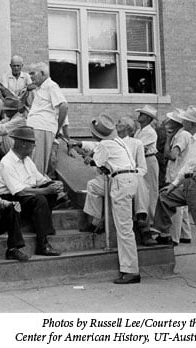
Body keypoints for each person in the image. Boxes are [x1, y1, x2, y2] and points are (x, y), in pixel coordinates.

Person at [70, 114, 140, 284]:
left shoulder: (105, 144)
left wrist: (86, 157)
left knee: (124, 229)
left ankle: (131, 271)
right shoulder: (117, 141)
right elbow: (98, 149)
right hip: (128, 180)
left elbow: (96, 162)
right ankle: (96, 222)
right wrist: (83, 147)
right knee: (124, 227)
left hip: (121, 182)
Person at [0, 126, 64, 257]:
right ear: (23, 144)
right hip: (10, 198)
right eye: (32, 144)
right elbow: (19, 192)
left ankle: (41, 224)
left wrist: (53, 185)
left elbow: (40, 180)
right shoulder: (7, 162)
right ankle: (42, 243)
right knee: (40, 198)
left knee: (51, 190)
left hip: (26, 196)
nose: (34, 147)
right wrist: (45, 190)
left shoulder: (27, 160)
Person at [153, 105, 196, 245]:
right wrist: (175, 184)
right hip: (189, 181)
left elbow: (185, 161)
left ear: (191, 123)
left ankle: (168, 234)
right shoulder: (194, 137)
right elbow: (189, 164)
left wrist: (175, 183)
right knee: (165, 197)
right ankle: (162, 231)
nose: (183, 123)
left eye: (185, 121)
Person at [116, 117, 156, 246]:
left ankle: (141, 219)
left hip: (132, 176)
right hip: (116, 177)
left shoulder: (136, 143)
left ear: (127, 128)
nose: (116, 125)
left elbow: (142, 168)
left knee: (139, 180)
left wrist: (132, 175)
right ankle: (144, 226)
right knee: (136, 181)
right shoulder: (111, 142)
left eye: (120, 123)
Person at [27, 62, 68, 175]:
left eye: (33, 73)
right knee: (32, 161)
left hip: (42, 127)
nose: (30, 77)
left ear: (43, 73)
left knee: (37, 163)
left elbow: (63, 106)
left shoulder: (51, 86)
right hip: (37, 127)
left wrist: (57, 128)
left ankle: (36, 189)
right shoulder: (41, 88)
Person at [163, 110, 193, 245]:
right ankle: (185, 235)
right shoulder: (185, 135)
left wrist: (168, 139)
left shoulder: (181, 136)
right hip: (183, 174)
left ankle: (174, 237)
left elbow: (173, 155)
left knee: (176, 207)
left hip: (177, 175)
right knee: (184, 208)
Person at [134, 105, 159, 226]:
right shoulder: (139, 131)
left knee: (151, 191)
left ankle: (152, 222)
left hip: (148, 160)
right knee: (142, 190)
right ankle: (144, 219)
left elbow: (139, 148)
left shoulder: (150, 132)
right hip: (140, 161)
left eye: (142, 114)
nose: (139, 116)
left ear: (148, 118)